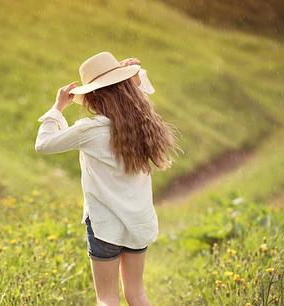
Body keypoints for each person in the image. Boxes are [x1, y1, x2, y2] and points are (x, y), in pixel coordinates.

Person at [35, 51, 183, 306]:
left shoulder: (90, 130)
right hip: (138, 221)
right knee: (137, 294)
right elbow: (143, 90)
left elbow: (43, 144)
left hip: (105, 225)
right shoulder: (142, 121)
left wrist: (57, 108)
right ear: (126, 90)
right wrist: (133, 74)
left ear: (91, 98)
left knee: (106, 297)